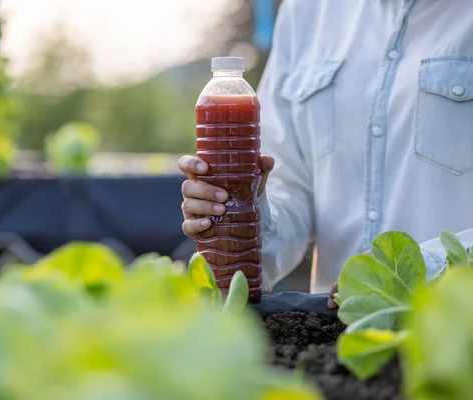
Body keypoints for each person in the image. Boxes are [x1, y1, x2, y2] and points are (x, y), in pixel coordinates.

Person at [179, 0, 473, 308]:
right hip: (332, 341)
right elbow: (287, 186)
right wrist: (241, 214)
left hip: (456, 335)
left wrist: (427, 265)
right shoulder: (307, 11)